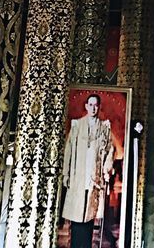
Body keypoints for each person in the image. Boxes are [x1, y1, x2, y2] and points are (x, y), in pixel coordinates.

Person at [62, 93, 116, 248]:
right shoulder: (77, 126)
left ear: (99, 107)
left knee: (89, 215)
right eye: (90, 105)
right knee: (77, 215)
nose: (93, 108)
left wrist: (106, 169)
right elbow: (69, 150)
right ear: (86, 106)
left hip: (94, 178)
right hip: (78, 176)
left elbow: (109, 150)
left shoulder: (104, 127)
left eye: (96, 105)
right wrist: (66, 173)